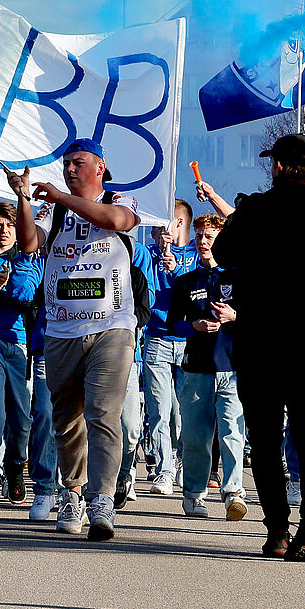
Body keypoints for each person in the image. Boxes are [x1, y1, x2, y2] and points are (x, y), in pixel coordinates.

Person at [211, 134, 305, 561]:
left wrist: (239, 218)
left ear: (278, 166)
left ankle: (277, 530)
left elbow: (222, 251)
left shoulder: (258, 208)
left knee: (266, 438)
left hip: (262, 337)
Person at [9, 140, 146, 542]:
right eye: (66, 163)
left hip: (112, 326)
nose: (70, 169)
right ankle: (72, 493)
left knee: (103, 413)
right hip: (62, 329)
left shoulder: (120, 198)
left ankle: (101, 497)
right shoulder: (55, 208)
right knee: (66, 420)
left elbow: (117, 221)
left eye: (78, 163)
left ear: (100, 166)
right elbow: (30, 243)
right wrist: (22, 199)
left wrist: (62, 197)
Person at [167, 213, 248, 521]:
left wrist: (234, 317)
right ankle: (194, 494)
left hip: (232, 367)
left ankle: (233, 492)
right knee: (197, 437)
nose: (203, 241)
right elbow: (173, 323)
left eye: (209, 236)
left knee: (232, 432)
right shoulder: (186, 282)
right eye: (199, 235)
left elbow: (255, 321)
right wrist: (194, 325)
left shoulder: (237, 278)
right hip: (196, 369)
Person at [0, 203, 40, 508]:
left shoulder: (28, 259)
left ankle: (15, 466)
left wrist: (5, 285)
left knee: (20, 418)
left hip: (20, 344)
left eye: (9, 225)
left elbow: (27, 293)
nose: (3, 231)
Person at [137, 199, 198, 501]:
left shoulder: (197, 257)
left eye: (171, 222)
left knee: (185, 410)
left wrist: (176, 272)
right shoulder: (148, 255)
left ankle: (186, 464)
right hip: (157, 339)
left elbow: (195, 295)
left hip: (188, 340)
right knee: (160, 409)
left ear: (183, 224)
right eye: (159, 224)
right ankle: (164, 468)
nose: (164, 229)